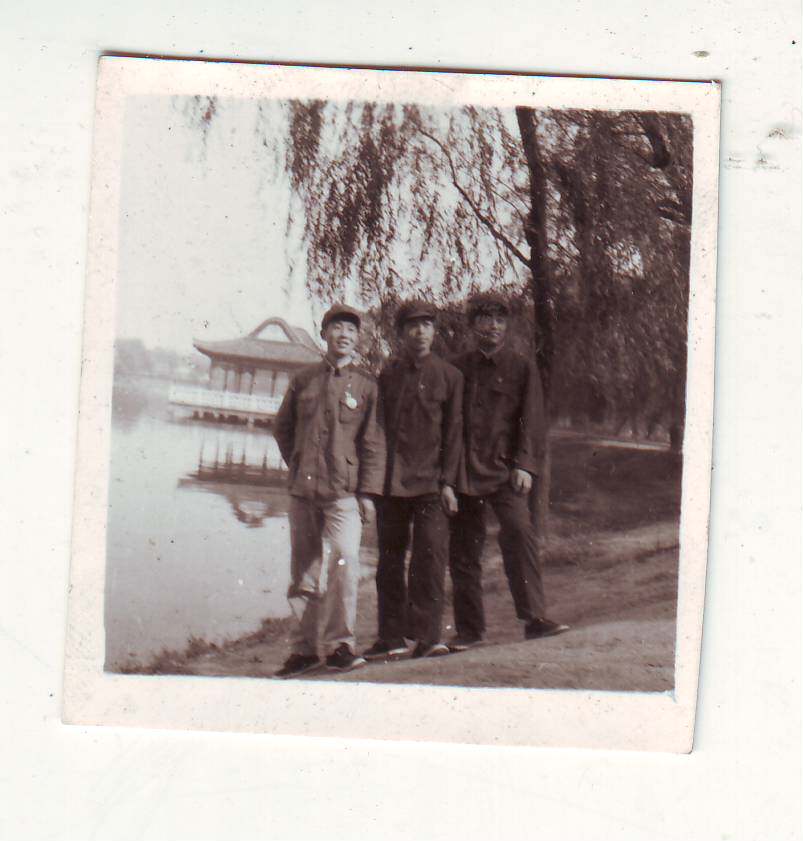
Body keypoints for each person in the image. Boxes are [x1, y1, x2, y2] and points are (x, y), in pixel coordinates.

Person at [448, 292, 569, 650]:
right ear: (472, 325)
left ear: (507, 326)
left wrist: (525, 466)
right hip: (465, 472)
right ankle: (470, 630)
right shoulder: (456, 368)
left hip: (505, 472)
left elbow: (531, 421)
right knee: (464, 551)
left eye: (500, 320)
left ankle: (534, 618)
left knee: (519, 533)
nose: (492, 326)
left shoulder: (521, 367)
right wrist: (448, 477)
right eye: (485, 319)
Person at [273, 304, 386, 678]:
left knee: (344, 561)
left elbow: (372, 442)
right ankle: (303, 650)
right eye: (336, 328)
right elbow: (283, 429)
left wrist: (367, 494)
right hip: (303, 493)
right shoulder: (303, 379)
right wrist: (300, 463)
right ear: (324, 335)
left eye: (351, 330)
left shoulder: (367, 386)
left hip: (343, 494)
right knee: (304, 570)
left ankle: (341, 645)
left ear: (358, 339)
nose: (344, 335)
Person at [363, 300, 464, 661]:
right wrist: (373, 482)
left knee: (430, 558)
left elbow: (454, 435)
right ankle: (390, 637)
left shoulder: (450, 376)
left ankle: (427, 637)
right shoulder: (388, 374)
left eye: (426, 325)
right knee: (389, 561)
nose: (420, 332)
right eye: (412, 326)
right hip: (392, 483)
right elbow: (377, 429)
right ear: (401, 333)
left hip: (432, 484)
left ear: (435, 332)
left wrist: (449, 483)